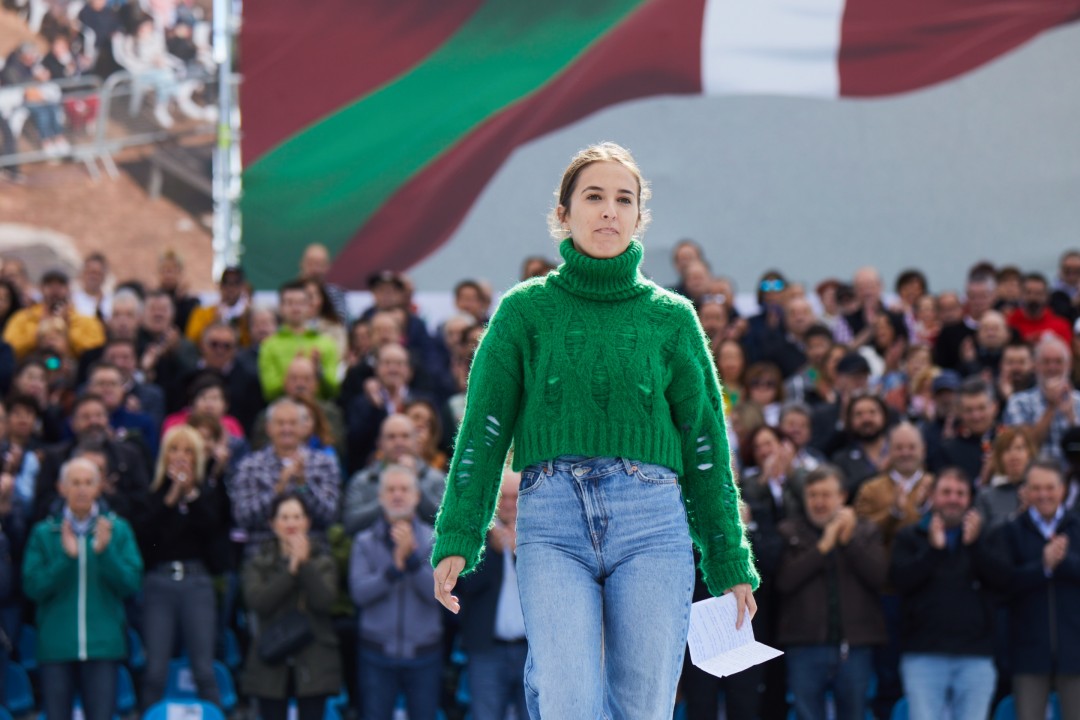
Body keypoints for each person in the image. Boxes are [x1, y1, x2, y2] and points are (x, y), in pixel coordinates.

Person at [430, 143, 759, 719]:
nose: (609, 210)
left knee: (643, 707)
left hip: (653, 523)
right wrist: (459, 533)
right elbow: (482, 433)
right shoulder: (523, 311)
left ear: (638, 217)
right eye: (594, 196)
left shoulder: (673, 318)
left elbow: (706, 448)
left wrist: (728, 558)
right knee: (568, 701)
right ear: (564, 213)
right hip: (551, 521)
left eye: (624, 199)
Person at [23, 457, 143, 720]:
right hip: (57, 646)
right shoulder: (44, 532)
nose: (81, 489)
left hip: (103, 646)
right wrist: (65, 559)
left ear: (98, 488)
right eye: (75, 483)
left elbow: (131, 584)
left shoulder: (117, 529)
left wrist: (105, 553)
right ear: (62, 488)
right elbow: (32, 587)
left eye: (88, 483)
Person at [890, 468, 1004, 720]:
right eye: (946, 492)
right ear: (932, 496)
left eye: (960, 494)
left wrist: (975, 547)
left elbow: (1003, 582)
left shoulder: (987, 536)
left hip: (976, 655)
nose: (953, 499)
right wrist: (933, 551)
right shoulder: (910, 535)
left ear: (970, 499)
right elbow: (900, 582)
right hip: (923, 654)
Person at [775, 466, 887, 720]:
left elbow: (879, 577)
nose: (819, 502)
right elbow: (784, 581)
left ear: (842, 497)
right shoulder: (789, 531)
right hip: (804, 645)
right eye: (813, 495)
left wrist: (848, 542)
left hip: (855, 646)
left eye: (826, 495)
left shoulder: (866, 530)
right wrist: (823, 547)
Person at [139, 425, 222, 709]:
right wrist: (170, 501)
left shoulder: (208, 493)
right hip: (159, 584)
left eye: (188, 450)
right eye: (174, 449)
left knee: (204, 671)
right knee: (155, 672)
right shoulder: (153, 494)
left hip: (197, 584)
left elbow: (213, 540)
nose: (181, 456)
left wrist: (191, 497)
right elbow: (148, 544)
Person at [350, 464, 442, 720]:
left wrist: (411, 560)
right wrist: (393, 569)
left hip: (424, 653)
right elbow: (359, 593)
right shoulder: (364, 541)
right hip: (377, 652)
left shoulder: (434, 540)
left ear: (417, 496)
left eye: (404, 489)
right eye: (391, 490)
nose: (397, 495)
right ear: (380, 497)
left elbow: (437, 595)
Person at [241, 492, 341, 720]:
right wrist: (290, 571)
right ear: (272, 523)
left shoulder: (323, 560)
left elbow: (325, 602)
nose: (291, 523)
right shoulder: (258, 562)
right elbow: (258, 603)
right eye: (284, 517)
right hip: (270, 660)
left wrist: (305, 566)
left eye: (297, 517)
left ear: (307, 522)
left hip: (314, 660)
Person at [999, 459, 1080, 720]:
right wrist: (1042, 567)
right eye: (1036, 488)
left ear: (1062, 489)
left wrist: (1063, 562)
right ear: (1026, 491)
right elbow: (1003, 584)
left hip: (1075, 652)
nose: (1043, 495)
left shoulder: (1077, 527)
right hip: (1028, 653)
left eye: (1050, 487)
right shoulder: (1011, 531)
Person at [453, 467, 528, 720]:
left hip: (532, 650)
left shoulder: (540, 534)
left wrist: (520, 553)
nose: (508, 504)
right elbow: (467, 588)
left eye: (515, 497)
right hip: (487, 650)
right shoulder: (474, 537)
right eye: (502, 497)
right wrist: (492, 553)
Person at [257, 280, 339, 402]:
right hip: (282, 407)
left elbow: (333, 390)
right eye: (290, 303)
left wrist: (318, 372)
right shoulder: (269, 345)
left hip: (318, 407)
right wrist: (293, 373)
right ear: (281, 307)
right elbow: (269, 392)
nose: (295, 308)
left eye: (301, 303)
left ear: (309, 306)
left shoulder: (326, 343)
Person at [1003, 335, 1080, 461]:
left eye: (1058, 362)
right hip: (1034, 472)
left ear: (1069, 365)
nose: (1052, 368)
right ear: (1036, 366)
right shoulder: (1018, 402)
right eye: (1046, 362)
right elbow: (1023, 447)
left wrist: (1071, 417)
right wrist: (1051, 407)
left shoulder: (1078, 401)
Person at [3, 269, 105, 362]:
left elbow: (94, 352)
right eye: (49, 285)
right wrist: (39, 328)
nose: (55, 289)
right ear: (41, 289)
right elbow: (10, 349)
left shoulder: (86, 321)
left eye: (61, 284)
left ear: (69, 289)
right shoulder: (22, 318)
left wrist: (68, 326)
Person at [976, 427, 1036, 530]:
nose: (1014, 455)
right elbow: (987, 534)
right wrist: (1018, 516)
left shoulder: (1041, 491)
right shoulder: (986, 496)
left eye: (1019, 448)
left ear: (1029, 453)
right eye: (1007, 450)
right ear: (999, 458)